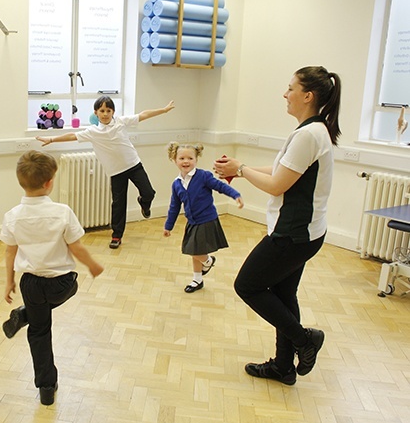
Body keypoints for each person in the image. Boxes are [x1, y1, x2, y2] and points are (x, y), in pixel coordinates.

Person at [213, 66, 342, 386]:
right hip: (308, 232)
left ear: (307, 96)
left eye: (290, 88)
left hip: (293, 235)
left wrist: (240, 166)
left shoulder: (308, 135)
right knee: (284, 294)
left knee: (248, 285)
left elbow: (276, 185)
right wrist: (238, 171)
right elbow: (282, 170)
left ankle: (304, 339)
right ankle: (283, 366)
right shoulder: (314, 130)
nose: (285, 94)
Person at [0, 150, 104, 406]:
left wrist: (9, 280)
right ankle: (25, 314)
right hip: (62, 282)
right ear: (49, 182)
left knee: (39, 331)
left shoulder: (12, 216)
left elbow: (9, 250)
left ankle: (46, 387)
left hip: (31, 283)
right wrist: (92, 264)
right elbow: (76, 247)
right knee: (73, 286)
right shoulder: (62, 212)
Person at [36, 96, 175, 249]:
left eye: (108, 110)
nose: (105, 113)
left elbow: (143, 115)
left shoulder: (121, 122)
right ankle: (116, 235)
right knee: (118, 204)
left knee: (149, 192)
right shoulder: (93, 131)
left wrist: (163, 110)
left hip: (134, 165)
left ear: (113, 112)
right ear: (96, 113)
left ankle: (144, 202)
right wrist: (51, 139)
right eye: (102, 110)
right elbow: (72, 136)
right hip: (116, 172)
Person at [163, 142, 243, 293]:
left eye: (190, 158)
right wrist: (168, 226)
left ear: (196, 160)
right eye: (181, 158)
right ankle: (197, 280)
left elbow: (221, 186)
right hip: (192, 222)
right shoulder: (177, 183)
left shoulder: (204, 176)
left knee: (194, 251)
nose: (186, 161)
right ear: (175, 160)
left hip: (206, 220)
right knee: (195, 252)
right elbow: (174, 206)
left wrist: (235, 195)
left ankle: (208, 261)